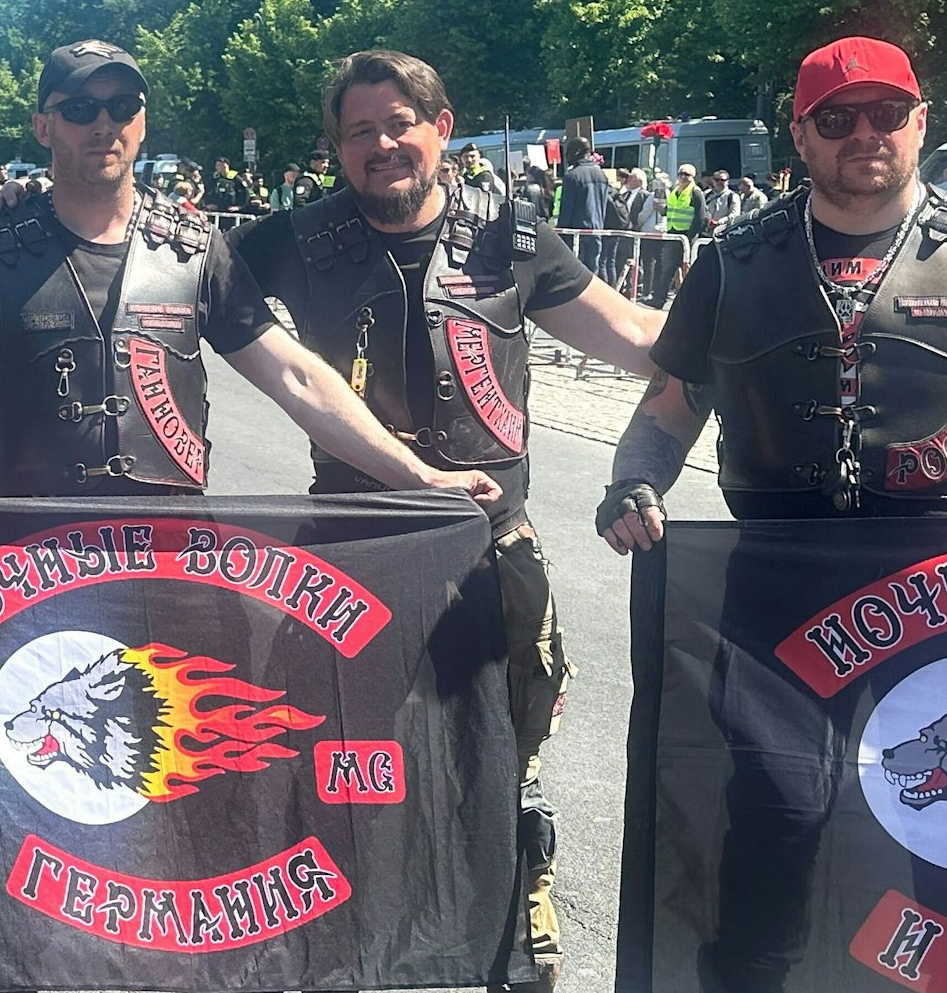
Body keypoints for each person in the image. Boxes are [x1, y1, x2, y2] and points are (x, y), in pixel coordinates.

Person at [225, 49, 662, 993]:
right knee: (343, 754)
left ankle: (515, 927)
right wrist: (38, 208)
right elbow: (172, 274)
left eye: (398, 124)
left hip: (489, 551)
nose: (382, 144)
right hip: (351, 555)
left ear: (441, 127)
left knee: (505, 751)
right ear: (336, 147)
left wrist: (753, 315)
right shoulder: (292, 241)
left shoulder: (513, 240)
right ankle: (346, 938)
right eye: (359, 131)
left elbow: (638, 337)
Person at [0, 38, 500, 525]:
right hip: (28, 563)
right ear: (45, 126)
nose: (102, 123)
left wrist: (421, 475)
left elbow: (299, 379)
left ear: (142, 122)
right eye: (79, 108)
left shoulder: (197, 249)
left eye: (121, 106)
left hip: (171, 552)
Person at [597, 36, 943, 989]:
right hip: (778, 587)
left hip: (934, 588)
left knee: (937, 812)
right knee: (781, 808)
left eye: (885, 113)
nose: (863, 134)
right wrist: (633, 482)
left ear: (921, 121)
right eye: (837, 118)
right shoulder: (733, 261)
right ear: (801, 134)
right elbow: (668, 408)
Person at [651, 162, 707, 307]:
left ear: (693, 177)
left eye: (686, 175)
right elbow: (670, 211)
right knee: (667, 269)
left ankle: (694, 303)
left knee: (689, 271)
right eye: (681, 174)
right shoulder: (675, 191)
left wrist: (690, 236)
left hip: (687, 237)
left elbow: (701, 217)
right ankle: (659, 300)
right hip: (673, 234)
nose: (683, 177)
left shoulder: (695, 192)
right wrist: (661, 209)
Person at [556, 141, 612, 281]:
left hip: (575, 232)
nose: (566, 157)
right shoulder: (601, 175)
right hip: (596, 231)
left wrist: (561, 233)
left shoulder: (572, 176)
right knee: (593, 274)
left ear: (576, 152)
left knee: (574, 274)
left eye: (568, 153)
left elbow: (566, 209)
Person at [702, 168, 740, 235]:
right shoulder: (705, 194)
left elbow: (735, 215)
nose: (719, 182)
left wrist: (720, 222)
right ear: (713, 181)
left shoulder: (732, 196)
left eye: (722, 180)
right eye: (717, 180)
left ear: (727, 182)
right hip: (705, 232)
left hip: (723, 232)